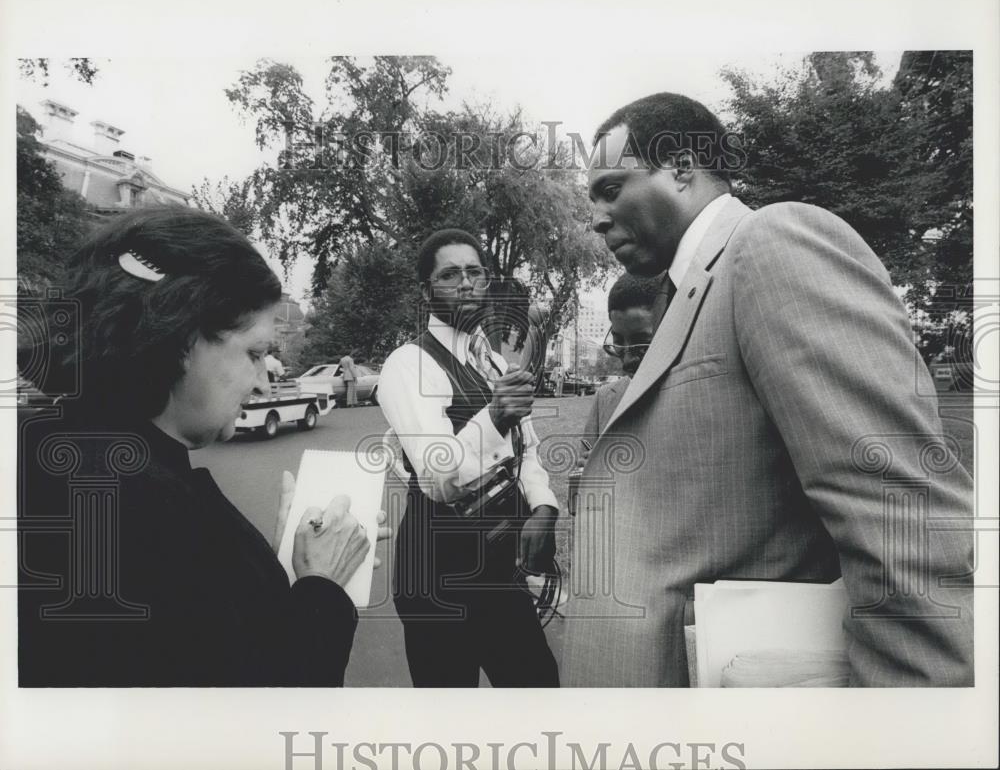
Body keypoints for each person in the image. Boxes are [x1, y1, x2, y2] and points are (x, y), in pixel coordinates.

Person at [561, 92, 974, 687]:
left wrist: (903, 728)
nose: (596, 218)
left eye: (611, 188)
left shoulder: (772, 243)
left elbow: (898, 510)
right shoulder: (688, 294)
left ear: (682, 166)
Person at [18, 207, 388, 687]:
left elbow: (200, 634)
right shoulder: (140, 505)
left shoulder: (54, 450)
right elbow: (255, 718)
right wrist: (323, 588)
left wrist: (267, 570)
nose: (261, 383)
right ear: (179, 338)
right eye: (254, 353)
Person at [378, 228, 560, 687]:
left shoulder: (494, 363)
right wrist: (495, 414)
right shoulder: (408, 363)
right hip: (438, 577)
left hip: (499, 568)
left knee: (538, 691)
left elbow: (528, 446)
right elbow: (440, 476)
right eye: (450, 274)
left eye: (475, 272)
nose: (466, 283)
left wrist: (543, 507)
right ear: (426, 290)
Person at [581, 273, 660, 453]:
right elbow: (580, 476)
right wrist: (586, 472)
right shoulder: (605, 398)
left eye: (641, 343)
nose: (627, 360)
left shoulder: (693, 394)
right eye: (618, 342)